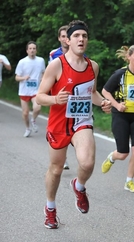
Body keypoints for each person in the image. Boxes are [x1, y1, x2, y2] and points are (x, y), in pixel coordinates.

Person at [36, 20, 112, 229]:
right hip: (59, 123)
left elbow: (93, 93)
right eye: (77, 36)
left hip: (82, 121)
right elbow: (39, 97)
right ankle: (50, 208)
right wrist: (54, 100)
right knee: (56, 169)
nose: (81, 39)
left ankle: (79, 186)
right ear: (67, 40)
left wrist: (103, 102)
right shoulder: (57, 65)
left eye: (84, 36)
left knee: (87, 163)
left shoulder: (93, 66)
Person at [101, 45, 134, 193]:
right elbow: (105, 91)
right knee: (123, 153)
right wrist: (117, 105)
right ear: (129, 57)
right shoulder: (120, 74)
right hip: (121, 116)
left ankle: (129, 181)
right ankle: (112, 157)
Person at [49, 25, 71, 170]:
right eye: (62, 36)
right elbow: (49, 74)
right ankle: (62, 158)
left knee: (71, 127)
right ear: (59, 38)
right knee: (61, 128)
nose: (65, 39)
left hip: (74, 97)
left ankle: (64, 157)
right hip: (59, 96)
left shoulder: (82, 56)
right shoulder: (53, 54)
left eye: (66, 36)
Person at [15, 41, 46, 137]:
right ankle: (27, 128)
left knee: (37, 107)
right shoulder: (22, 62)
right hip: (24, 90)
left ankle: (33, 120)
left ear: (36, 50)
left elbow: (43, 72)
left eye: (34, 48)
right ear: (27, 51)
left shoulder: (41, 60)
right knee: (25, 113)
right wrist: (24, 78)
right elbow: (16, 77)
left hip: (35, 90)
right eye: (30, 49)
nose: (32, 50)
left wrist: (43, 78)